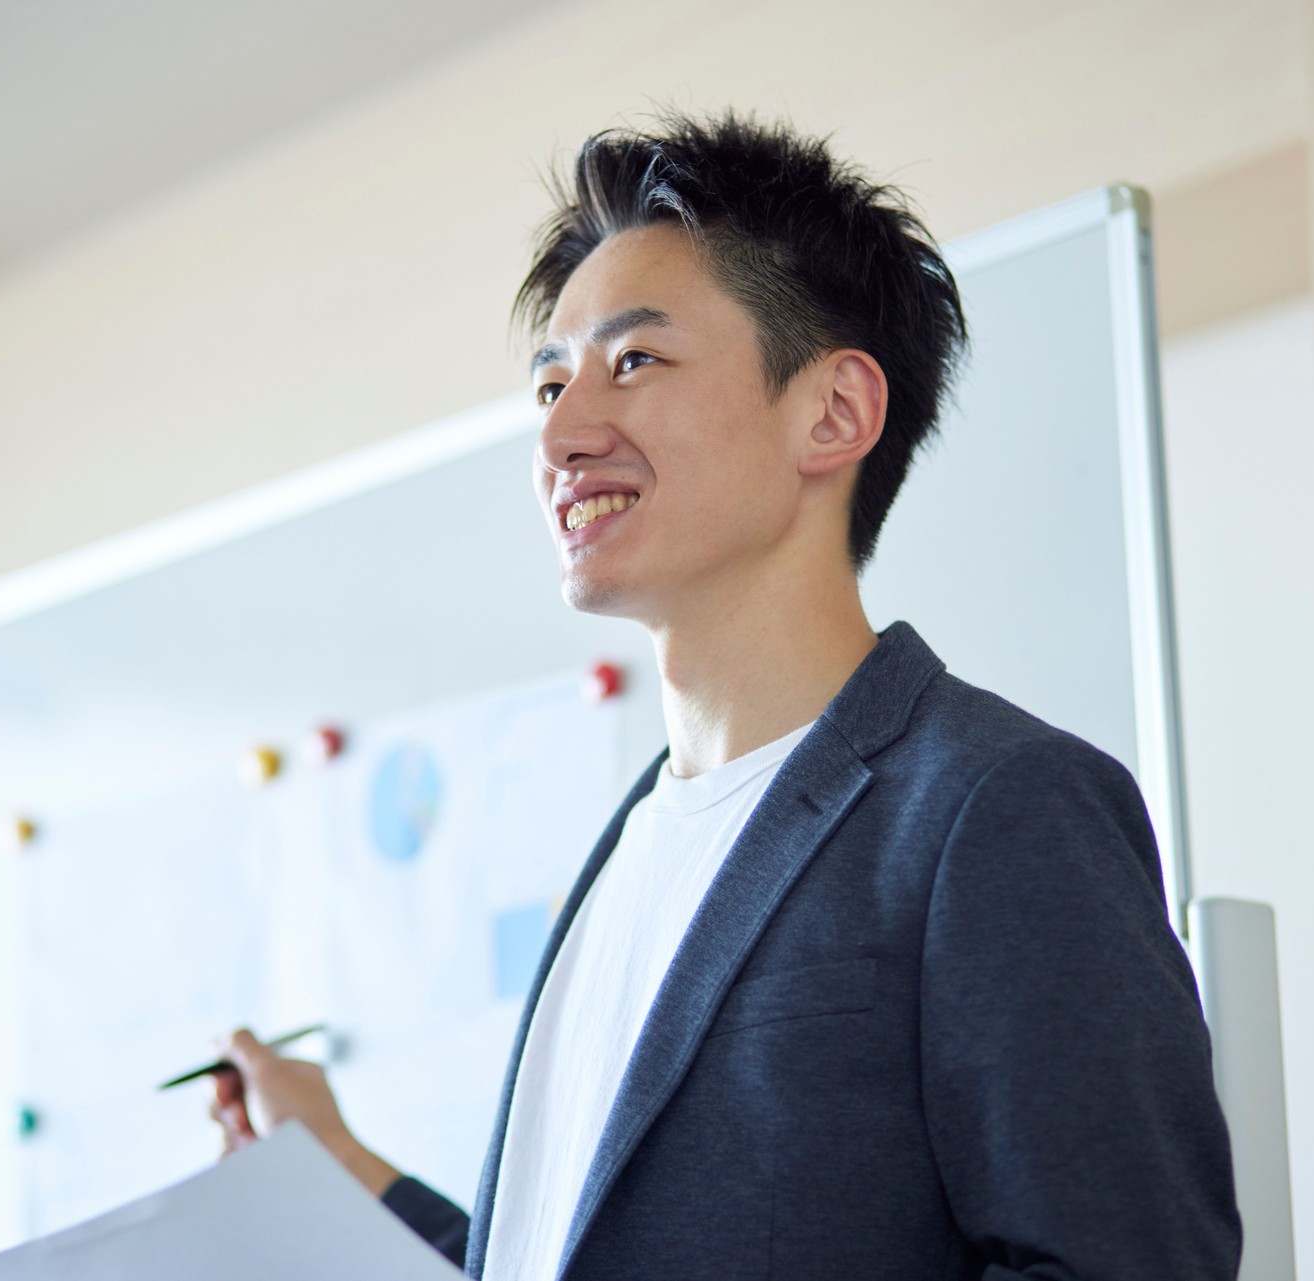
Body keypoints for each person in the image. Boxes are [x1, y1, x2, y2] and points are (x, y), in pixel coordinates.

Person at [210, 111, 1241, 1280]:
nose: (562, 430)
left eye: (634, 361)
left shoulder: (997, 808)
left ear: (834, 414)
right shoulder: (623, 856)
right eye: (550, 382)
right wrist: (347, 1167)